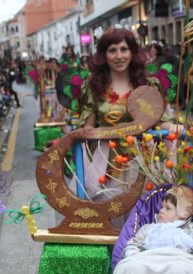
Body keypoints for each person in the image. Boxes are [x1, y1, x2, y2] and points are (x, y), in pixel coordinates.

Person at [77, 28, 182, 199]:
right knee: (109, 212)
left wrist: (172, 127)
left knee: (143, 212)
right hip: (106, 161)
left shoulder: (149, 84)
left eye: (124, 49)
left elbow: (160, 121)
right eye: (112, 50)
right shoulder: (92, 87)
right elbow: (87, 126)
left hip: (142, 159)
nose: (119, 56)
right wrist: (97, 133)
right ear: (104, 55)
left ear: (132, 52)